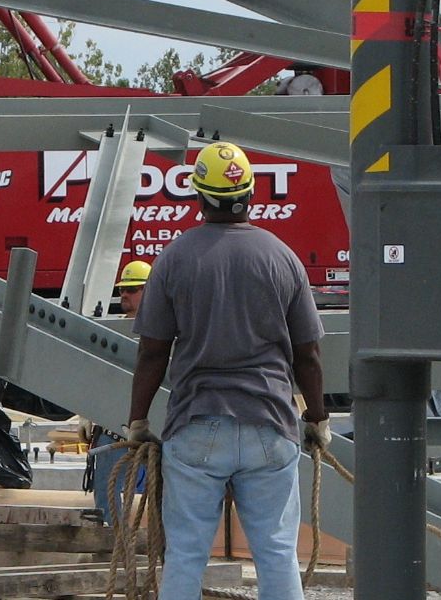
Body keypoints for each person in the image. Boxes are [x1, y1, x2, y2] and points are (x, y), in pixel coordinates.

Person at [126, 142, 328, 600]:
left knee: (185, 555)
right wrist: (317, 418)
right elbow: (309, 353)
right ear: (251, 194)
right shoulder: (282, 257)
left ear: (198, 195)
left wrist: (137, 420)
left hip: (196, 425)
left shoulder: (174, 259)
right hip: (270, 426)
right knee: (277, 553)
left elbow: (153, 352)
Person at [87, 259, 153, 519]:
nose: (124, 294)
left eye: (133, 289)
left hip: (152, 431)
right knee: (107, 498)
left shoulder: (164, 332)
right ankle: (110, 545)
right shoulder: (111, 333)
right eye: (122, 289)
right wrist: (88, 412)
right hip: (113, 432)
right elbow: (98, 375)